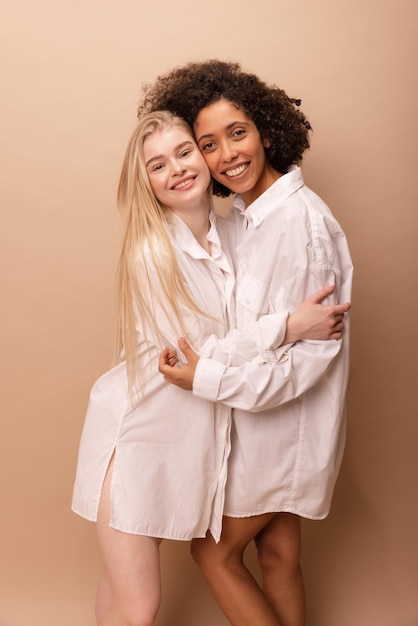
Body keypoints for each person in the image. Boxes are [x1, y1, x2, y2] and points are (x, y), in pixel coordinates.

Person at [71, 109, 348, 626]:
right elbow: (197, 357)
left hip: (187, 452)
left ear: (204, 156)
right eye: (157, 166)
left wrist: (286, 325)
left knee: (117, 597)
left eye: (184, 152)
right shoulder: (152, 254)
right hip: (135, 445)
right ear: (147, 185)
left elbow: (238, 334)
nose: (176, 169)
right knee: (137, 607)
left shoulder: (233, 235)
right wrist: (288, 326)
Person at [139, 60, 353, 626]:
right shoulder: (245, 219)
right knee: (278, 556)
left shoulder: (299, 223)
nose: (228, 155)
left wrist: (204, 377)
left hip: (280, 427)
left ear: (266, 128)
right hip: (263, 422)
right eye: (207, 144)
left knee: (213, 552)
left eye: (238, 133)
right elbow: (253, 327)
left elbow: (307, 363)